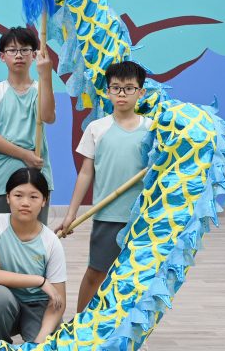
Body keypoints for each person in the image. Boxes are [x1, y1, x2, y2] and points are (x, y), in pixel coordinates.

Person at [54, 60, 152, 313]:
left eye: (129, 88)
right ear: (107, 92)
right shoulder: (97, 128)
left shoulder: (151, 129)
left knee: (134, 276)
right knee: (96, 272)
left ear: (141, 92)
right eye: (116, 88)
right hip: (106, 215)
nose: (122, 94)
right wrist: (71, 214)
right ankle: (80, 324)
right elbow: (86, 173)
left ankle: (125, 325)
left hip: (140, 217)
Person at [0, 167, 66, 345]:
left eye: (34, 197)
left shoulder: (51, 241)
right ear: (8, 197)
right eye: (18, 195)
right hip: (4, 298)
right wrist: (40, 281)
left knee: (48, 345)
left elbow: (58, 302)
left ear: (44, 201)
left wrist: (38, 344)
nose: (25, 203)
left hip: (39, 303)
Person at [0, 27, 55, 221]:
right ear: (2, 56)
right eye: (12, 50)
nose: (19, 55)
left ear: (34, 55)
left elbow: (48, 116)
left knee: (34, 236)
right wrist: (24, 155)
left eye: (25, 50)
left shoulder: (40, 89)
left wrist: (46, 75)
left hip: (36, 178)